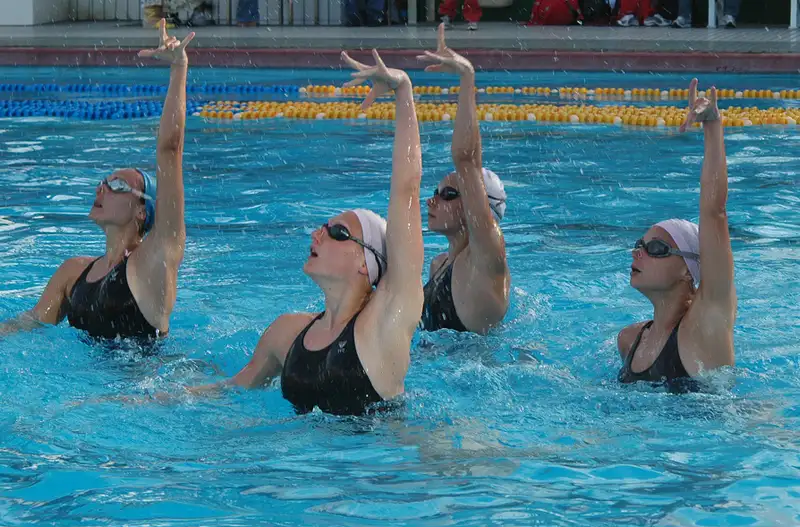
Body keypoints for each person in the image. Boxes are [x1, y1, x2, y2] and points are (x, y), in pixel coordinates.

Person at [188, 50, 424, 417]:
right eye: (323, 227)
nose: (318, 234)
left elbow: (407, 189)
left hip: (382, 468)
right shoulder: (286, 334)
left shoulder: (385, 323)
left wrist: (403, 90)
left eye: (337, 232)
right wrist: (147, 400)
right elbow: (232, 388)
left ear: (366, 262)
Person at [0, 20, 193, 340]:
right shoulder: (72, 272)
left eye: (117, 185)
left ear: (142, 211)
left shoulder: (156, 261)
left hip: (146, 387)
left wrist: (178, 69)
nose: (102, 188)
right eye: (104, 181)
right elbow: (27, 326)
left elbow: (170, 151)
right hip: (83, 386)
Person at [618, 78, 736, 388]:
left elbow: (715, 212)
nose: (637, 252)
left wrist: (712, 127)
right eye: (638, 245)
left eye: (655, 248)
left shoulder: (705, 325)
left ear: (688, 268)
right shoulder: (629, 341)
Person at [416, 25, 510, 334]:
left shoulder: (486, 259)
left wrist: (466, 77)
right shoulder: (439, 265)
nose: (431, 200)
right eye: (436, 192)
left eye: (447, 194)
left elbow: (467, 160)